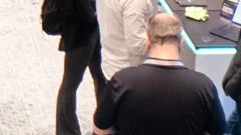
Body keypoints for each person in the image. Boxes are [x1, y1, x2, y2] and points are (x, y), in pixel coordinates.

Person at [93, 13, 225, 135]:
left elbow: (100, 129)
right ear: (181, 43)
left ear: (148, 41)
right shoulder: (203, 86)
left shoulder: (122, 81)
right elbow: (219, 131)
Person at [55, 0, 111, 135]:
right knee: (71, 83)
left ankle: (105, 124)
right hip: (81, 35)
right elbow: (86, 10)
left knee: (102, 77)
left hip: (94, 32)